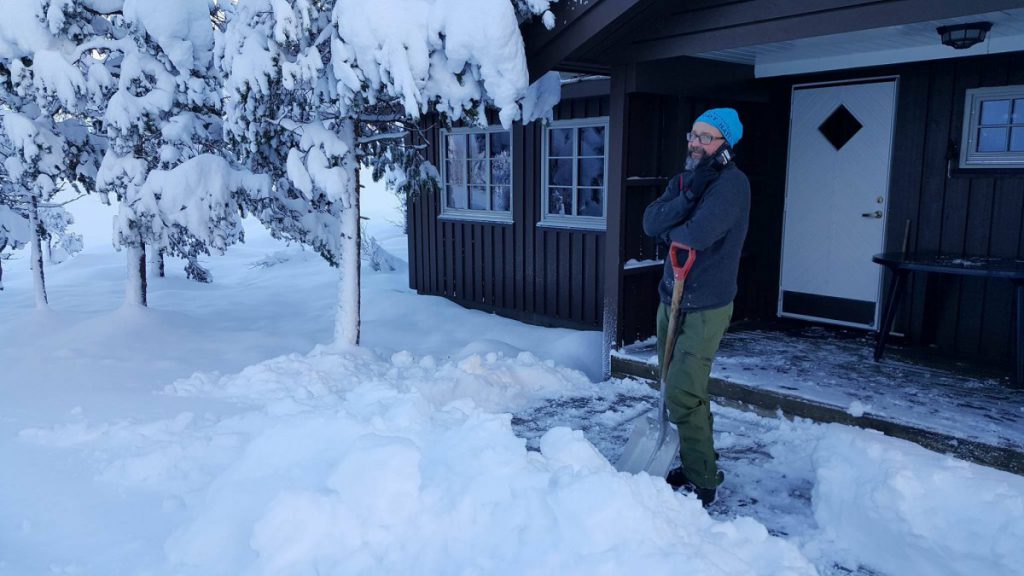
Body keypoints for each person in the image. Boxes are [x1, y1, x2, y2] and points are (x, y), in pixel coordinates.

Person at [641, 108, 750, 507]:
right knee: (676, 385)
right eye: (694, 135)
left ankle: (703, 478)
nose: (696, 143)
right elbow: (651, 223)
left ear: (726, 144)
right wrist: (687, 195)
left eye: (707, 137)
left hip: (706, 304)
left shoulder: (733, 186)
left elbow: (697, 234)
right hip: (671, 296)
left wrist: (676, 223)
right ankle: (695, 458)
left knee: (684, 392)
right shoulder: (685, 180)